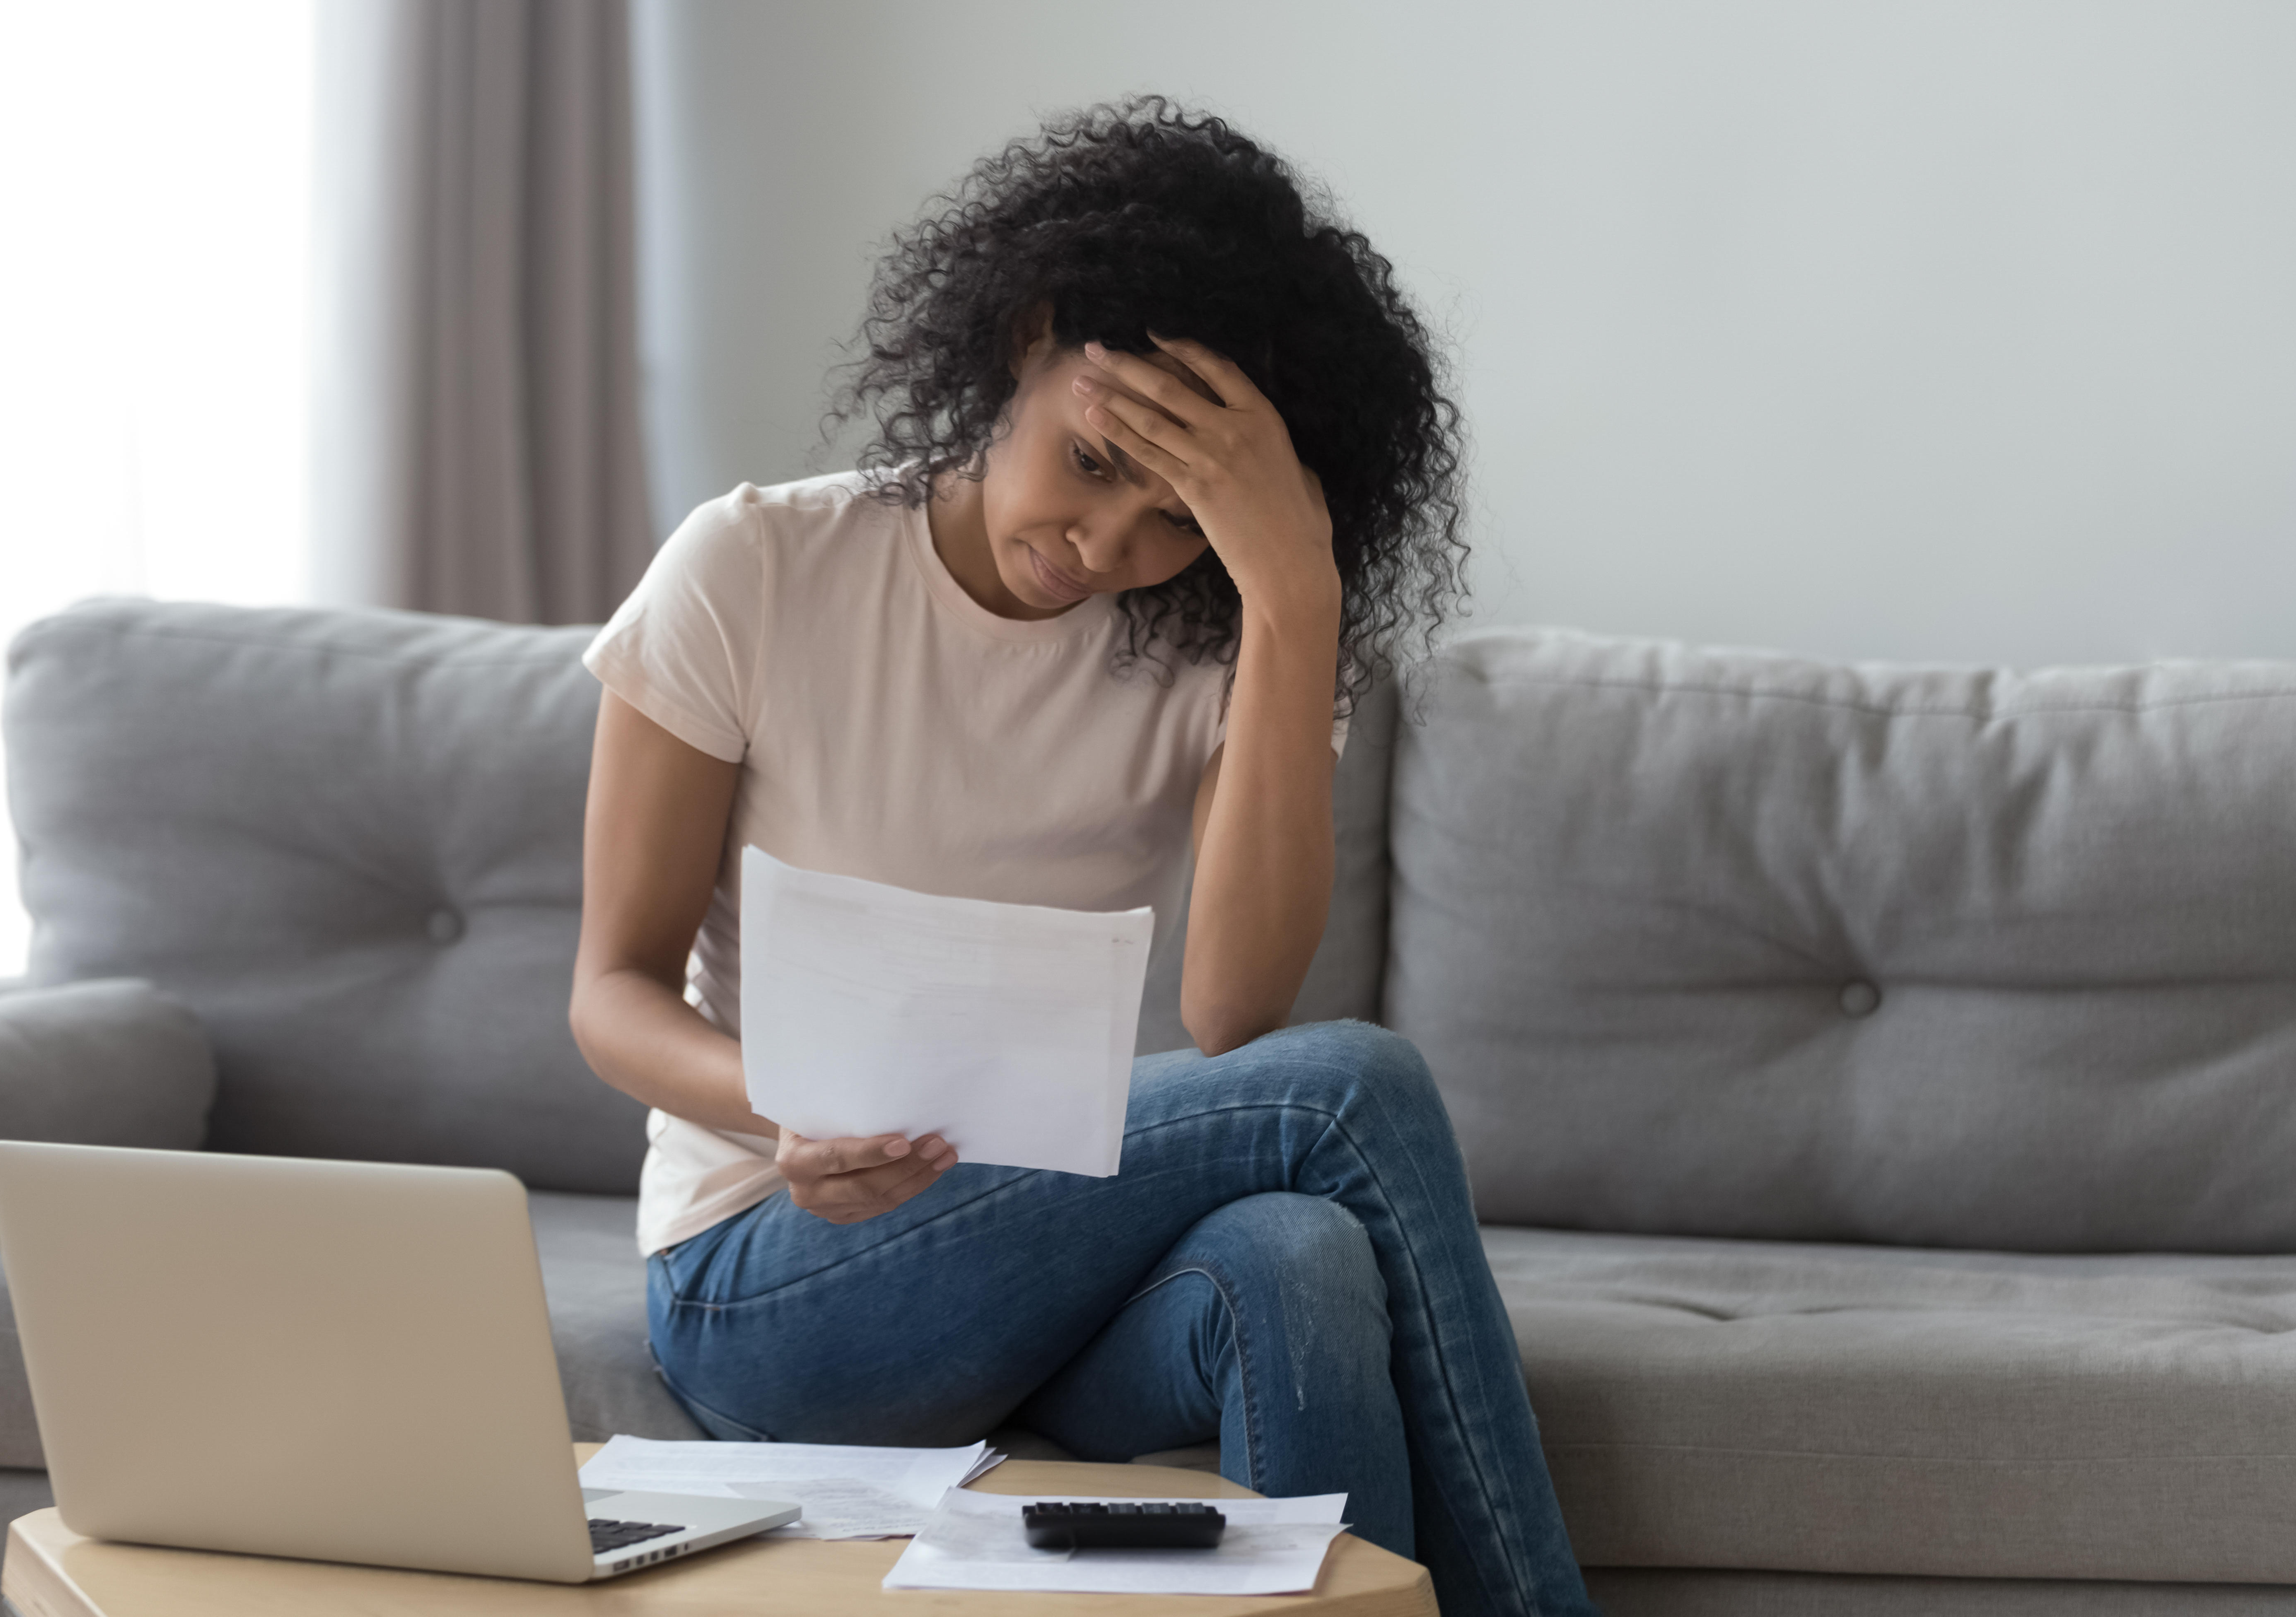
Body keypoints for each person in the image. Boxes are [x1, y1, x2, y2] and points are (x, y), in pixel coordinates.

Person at [569, 97, 1594, 1617]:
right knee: (1358, 1086)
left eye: (1183, 518)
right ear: (1026, 338)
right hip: (775, 1262)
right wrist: (783, 1108)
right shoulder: (758, 567)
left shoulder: (1224, 639)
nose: (1109, 540)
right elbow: (611, 993)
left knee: (1298, 1254)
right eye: (1096, 459)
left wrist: (1290, 598)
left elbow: (1238, 1006)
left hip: (1062, 1266)